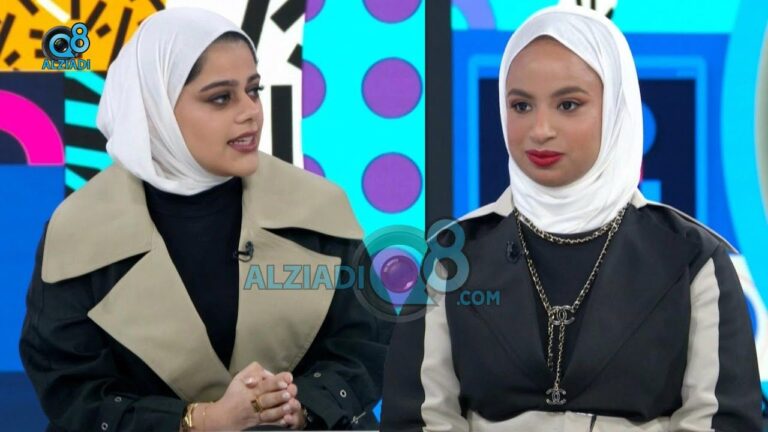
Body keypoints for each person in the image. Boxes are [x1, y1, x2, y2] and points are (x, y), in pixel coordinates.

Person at [381, 5, 761, 431]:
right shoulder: (453, 256)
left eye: (568, 104)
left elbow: (724, 420)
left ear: (615, 109)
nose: (540, 129)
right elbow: (417, 417)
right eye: (521, 105)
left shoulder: (692, 258)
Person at [20, 7, 389, 431]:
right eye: (220, 98)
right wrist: (199, 421)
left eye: (253, 90)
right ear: (156, 107)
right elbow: (71, 387)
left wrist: (301, 407)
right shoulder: (79, 229)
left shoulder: (319, 207)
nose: (251, 111)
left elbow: (366, 343)